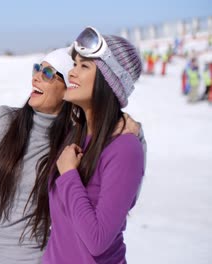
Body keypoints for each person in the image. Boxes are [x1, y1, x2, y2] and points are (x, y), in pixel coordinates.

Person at [0, 47, 143, 263]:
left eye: (48, 73)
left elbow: (117, 191)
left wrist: (134, 131)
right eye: (37, 69)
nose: (37, 77)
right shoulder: (3, 120)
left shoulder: (73, 142)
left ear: (67, 89)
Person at [25, 27, 145, 263]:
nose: (72, 73)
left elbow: (97, 240)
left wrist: (69, 174)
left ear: (109, 82)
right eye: (74, 64)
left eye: (84, 66)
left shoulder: (124, 149)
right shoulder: (75, 136)